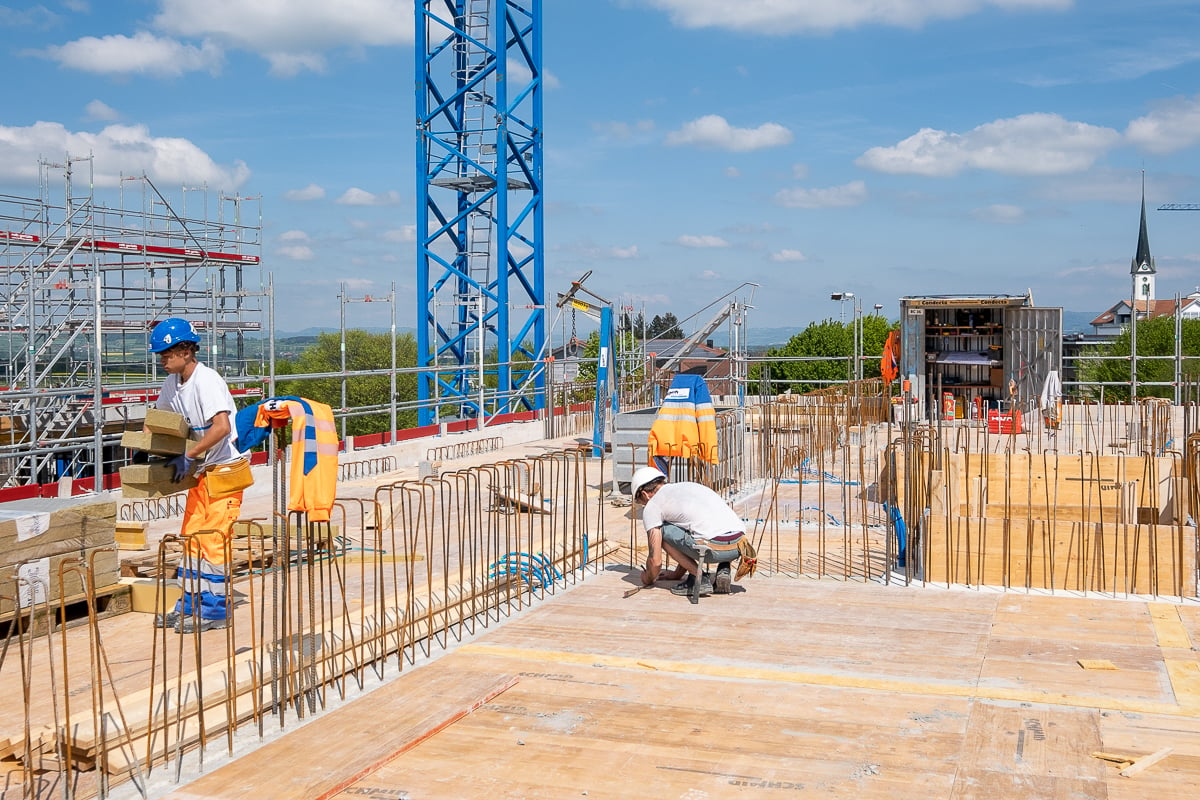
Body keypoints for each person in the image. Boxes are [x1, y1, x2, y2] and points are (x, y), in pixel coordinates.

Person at [148, 318, 244, 633]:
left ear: (187, 351)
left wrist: (187, 455)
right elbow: (158, 419)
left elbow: (222, 427)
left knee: (213, 542)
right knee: (191, 540)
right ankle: (188, 606)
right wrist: (143, 444)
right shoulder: (171, 383)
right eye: (160, 354)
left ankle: (215, 611)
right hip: (201, 474)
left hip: (225, 472)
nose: (162, 359)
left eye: (167, 353)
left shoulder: (207, 381)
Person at [631, 466, 746, 597]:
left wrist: (648, 577)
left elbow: (656, 562)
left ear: (645, 494)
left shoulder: (653, 505)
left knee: (662, 531)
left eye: (640, 502)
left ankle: (699, 578)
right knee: (704, 526)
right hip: (739, 546)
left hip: (714, 550)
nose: (644, 506)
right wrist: (677, 575)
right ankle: (724, 568)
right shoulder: (687, 487)